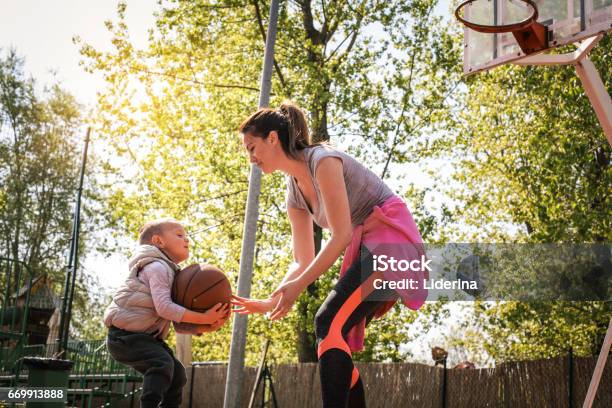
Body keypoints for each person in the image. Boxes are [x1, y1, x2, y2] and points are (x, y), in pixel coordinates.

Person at [231, 102, 428, 408]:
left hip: (392, 244)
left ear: (273, 138)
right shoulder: (294, 192)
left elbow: (341, 235)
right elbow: (302, 259)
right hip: (367, 249)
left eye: (251, 147)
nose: (251, 158)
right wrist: (274, 298)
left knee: (328, 322)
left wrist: (296, 289)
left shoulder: (322, 160)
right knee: (333, 335)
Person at [103, 218, 230, 408]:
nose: (187, 240)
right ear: (158, 241)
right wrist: (203, 317)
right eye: (180, 235)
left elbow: (177, 322)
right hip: (124, 337)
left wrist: (206, 325)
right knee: (162, 364)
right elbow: (165, 308)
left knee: (177, 375)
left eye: (186, 236)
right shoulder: (156, 267)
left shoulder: (172, 274)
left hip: (145, 338)